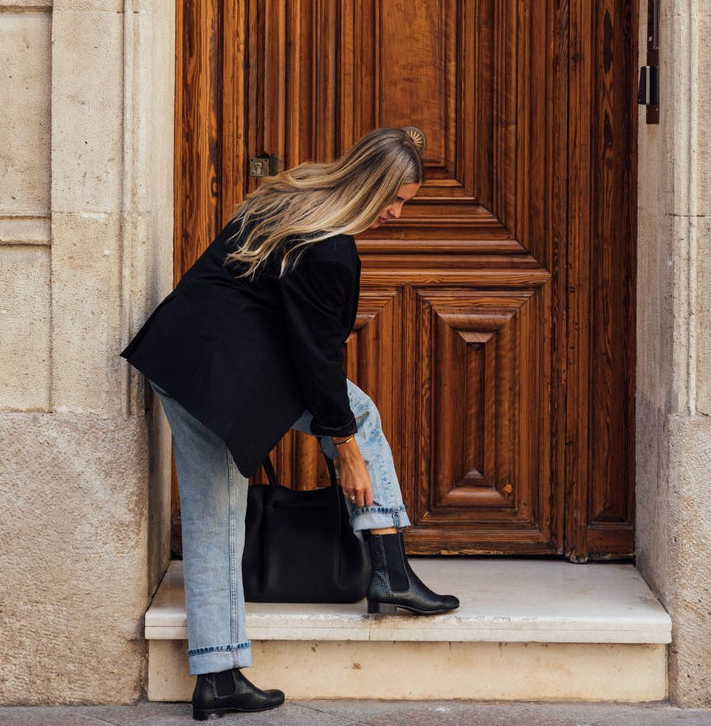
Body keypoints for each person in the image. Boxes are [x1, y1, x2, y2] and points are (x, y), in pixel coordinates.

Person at [121, 126, 459, 721]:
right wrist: (345, 450)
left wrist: (344, 434)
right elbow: (317, 357)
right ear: (368, 187)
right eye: (395, 200)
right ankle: (389, 570)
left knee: (213, 519)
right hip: (223, 378)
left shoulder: (285, 201)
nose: (397, 215)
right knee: (336, 428)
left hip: (181, 358)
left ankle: (219, 677)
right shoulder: (331, 249)